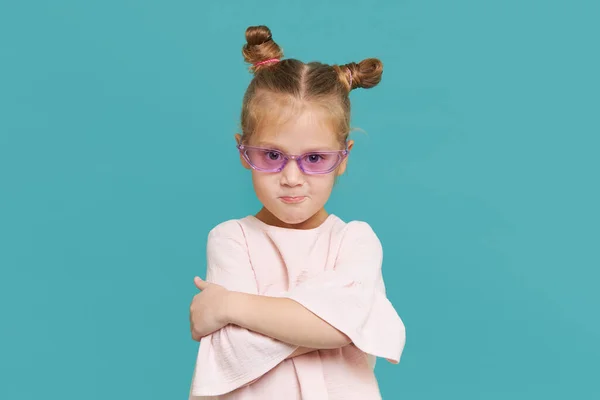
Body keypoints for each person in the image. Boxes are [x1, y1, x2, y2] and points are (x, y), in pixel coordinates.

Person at [188, 25, 406, 400]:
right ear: (244, 150)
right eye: (272, 155)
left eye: (315, 158)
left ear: (343, 158)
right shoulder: (230, 239)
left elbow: (341, 327)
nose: (291, 178)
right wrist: (343, 322)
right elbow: (233, 353)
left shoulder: (354, 241)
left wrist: (228, 305)